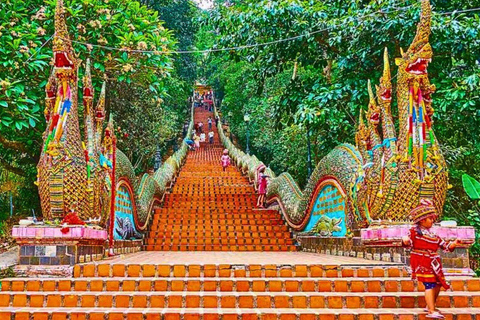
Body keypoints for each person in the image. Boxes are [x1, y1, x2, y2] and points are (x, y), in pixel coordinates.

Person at [402, 199, 460, 319]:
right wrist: (405, 240)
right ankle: (431, 311)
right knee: (429, 284)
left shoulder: (433, 234)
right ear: (422, 220)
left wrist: (454, 243)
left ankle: (430, 305)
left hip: (434, 262)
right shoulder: (414, 231)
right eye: (430, 219)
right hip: (422, 260)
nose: (433, 221)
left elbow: (446, 246)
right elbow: (407, 241)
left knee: (438, 284)